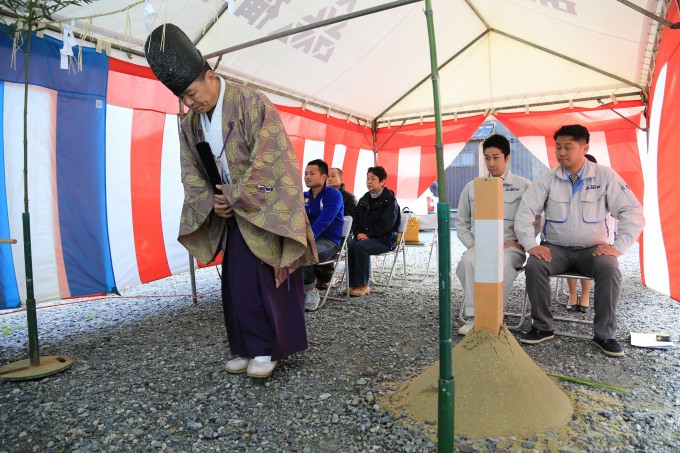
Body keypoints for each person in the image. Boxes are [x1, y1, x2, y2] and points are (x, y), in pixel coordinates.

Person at [145, 24, 316, 379]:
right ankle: (245, 346)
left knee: (265, 280)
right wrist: (211, 202)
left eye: (193, 93)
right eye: (185, 99)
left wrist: (236, 195)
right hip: (230, 210)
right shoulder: (190, 122)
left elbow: (273, 158)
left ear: (210, 75)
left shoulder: (252, 102)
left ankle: (267, 349)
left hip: (263, 209)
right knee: (236, 282)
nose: (191, 103)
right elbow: (189, 168)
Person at [514, 124, 644, 357]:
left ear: (584, 147)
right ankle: (542, 327)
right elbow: (525, 214)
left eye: (568, 147)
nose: (561, 153)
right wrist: (531, 245)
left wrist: (618, 247)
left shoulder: (605, 176)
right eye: (558, 147)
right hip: (555, 249)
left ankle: (604, 335)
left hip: (592, 251)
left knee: (610, 268)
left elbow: (632, 211)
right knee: (535, 265)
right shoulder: (547, 179)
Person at [455, 134, 540, 335]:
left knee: (499, 266)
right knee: (467, 261)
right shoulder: (472, 187)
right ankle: (474, 316)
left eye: (496, 157)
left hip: (510, 248)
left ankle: (493, 315)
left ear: (507, 158)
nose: (491, 163)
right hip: (481, 247)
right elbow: (461, 222)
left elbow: (536, 221)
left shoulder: (524, 186)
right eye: (487, 157)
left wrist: (520, 243)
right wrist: (473, 245)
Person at [347, 166, 400, 297]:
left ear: (382, 182)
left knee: (360, 247)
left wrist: (368, 235)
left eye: (373, 179)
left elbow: (386, 225)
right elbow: (356, 220)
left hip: (385, 239)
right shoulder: (364, 200)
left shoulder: (390, 201)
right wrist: (358, 233)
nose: (369, 181)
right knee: (351, 244)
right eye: (368, 178)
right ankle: (353, 284)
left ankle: (363, 284)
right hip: (366, 237)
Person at [302, 159, 344, 311]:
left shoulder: (334, 195)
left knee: (303, 251)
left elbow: (323, 222)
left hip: (328, 242)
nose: (307, 176)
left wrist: (305, 239)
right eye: (305, 173)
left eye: (312, 173)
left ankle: (311, 291)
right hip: (308, 239)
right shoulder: (304, 196)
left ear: (323, 177)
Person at [565, 153, 597, 313]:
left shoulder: (599, 188)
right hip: (568, 242)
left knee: (591, 253)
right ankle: (572, 293)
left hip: (591, 242)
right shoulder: (565, 185)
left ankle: (585, 295)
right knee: (568, 248)